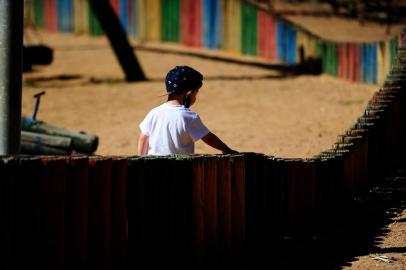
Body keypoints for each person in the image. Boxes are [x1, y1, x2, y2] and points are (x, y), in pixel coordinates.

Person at [137, 65, 237, 156]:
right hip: (180, 169)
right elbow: (207, 137)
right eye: (196, 93)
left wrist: (141, 161)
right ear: (189, 94)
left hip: (153, 168)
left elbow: (143, 138)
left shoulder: (154, 112)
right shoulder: (188, 116)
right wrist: (226, 149)